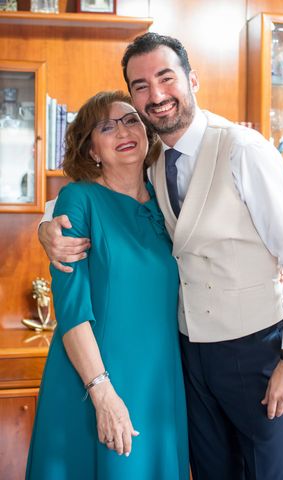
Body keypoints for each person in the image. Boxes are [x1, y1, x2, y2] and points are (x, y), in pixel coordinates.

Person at [39, 33, 283, 479]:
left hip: (253, 352)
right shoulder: (151, 169)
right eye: (140, 87)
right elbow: (82, 206)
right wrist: (46, 228)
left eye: (166, 78)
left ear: (192, 79)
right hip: (186, 360)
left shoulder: (242, 149)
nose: (155, 96)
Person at [27, 91, 189, 479]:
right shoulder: (78, 200)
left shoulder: (169, 199)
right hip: (93, 379)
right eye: (106, 126)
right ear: (92, 150)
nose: (123, 131)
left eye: (131, 119)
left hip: (160, 382)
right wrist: (102, 393)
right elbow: (71, 310)